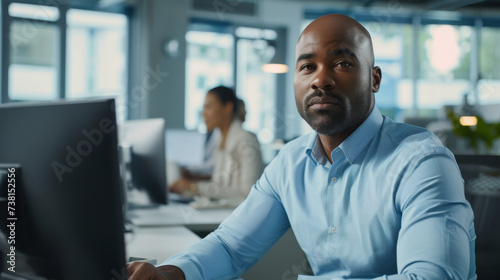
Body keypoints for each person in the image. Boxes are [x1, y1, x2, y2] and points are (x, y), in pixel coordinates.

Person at [128, 14, 476, 280]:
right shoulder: (290, 162)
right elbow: (230, 246)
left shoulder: (422, 161)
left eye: (342, 63)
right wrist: (168, 273)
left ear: (374, 79)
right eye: (307, 66)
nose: (320, 79)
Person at [169, 86, 264, 200]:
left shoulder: (247, 140)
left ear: (228, 108)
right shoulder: (220, 139)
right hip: (221, 211)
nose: (203, 114)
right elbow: (218, 186)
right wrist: (190, 187)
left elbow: (248, 193)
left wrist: (195, 187)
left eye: (208, 107)